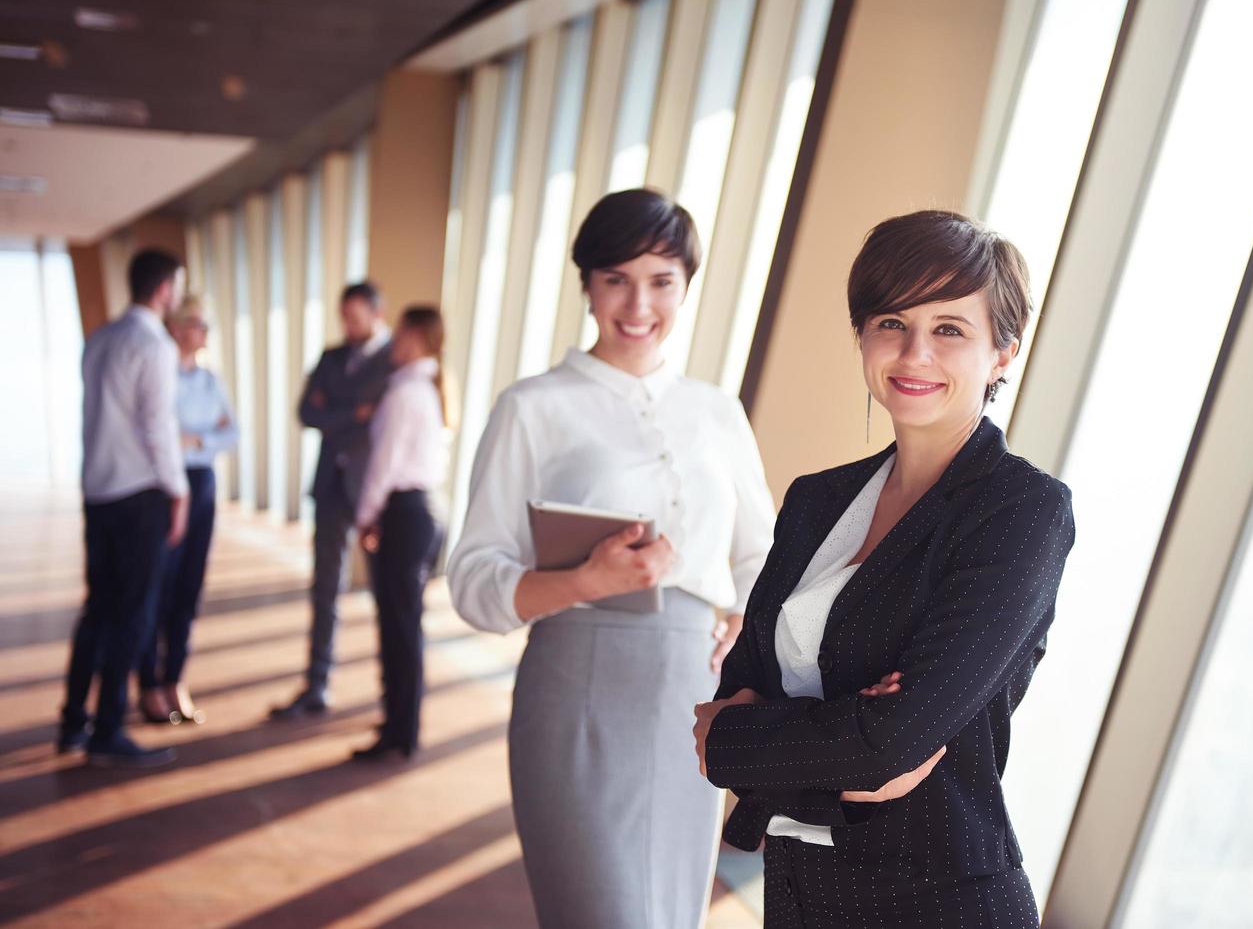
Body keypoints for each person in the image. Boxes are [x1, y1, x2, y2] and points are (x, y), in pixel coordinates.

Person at [694, 210, 1077, 927]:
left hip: (937, 899)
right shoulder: (817, 500)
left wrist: (752, 740)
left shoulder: (1020, 511)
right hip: (799, 891)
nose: (913, 354)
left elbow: (890, 742)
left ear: (1003, 353)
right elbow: (736, 694)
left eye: (949, 330)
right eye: (891, 323)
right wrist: (846, 752)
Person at [448, 189, 776, 929]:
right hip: (576, 693)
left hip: (699, 702)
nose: (638, 303)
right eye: (616, 279)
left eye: (661, 280)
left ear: (686, 285)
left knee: (670, 914)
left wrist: (745, 624)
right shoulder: (533, 407)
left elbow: (763, 554)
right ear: (587, 285)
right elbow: (472, 578)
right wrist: (585, 579)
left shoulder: (715, 411)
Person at [60, 248, 190, 768]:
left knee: (98, 610)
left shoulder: (100, 339)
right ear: (165, 289)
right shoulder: (153, 345)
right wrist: (178, 492)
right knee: (132, 615)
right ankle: (108, 729)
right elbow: (157, 427)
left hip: (98, 493)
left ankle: (73, 721)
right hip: (139, 496)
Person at [272, 282, 393, 719]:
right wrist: (354, 413)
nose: (347, 325)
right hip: (330, 488)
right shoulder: (330, 357)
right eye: (344, 317)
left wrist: (335, 412)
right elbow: (307, 412)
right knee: (325, 589)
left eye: (355, 317)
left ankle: (390, 697)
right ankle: (317, 686)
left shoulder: (395, 359)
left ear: (377, 313)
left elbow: (381, 420)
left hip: (374, 492)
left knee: (387, 593)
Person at [351, 306, 451, 762]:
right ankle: (399, 725)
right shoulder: (429, 388)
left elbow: (383, 465)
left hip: (405, 514)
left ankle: (400, 733)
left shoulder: (405, 393)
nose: (393, 343)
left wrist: (366, 516)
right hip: (427, 512)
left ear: (416, 337)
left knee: (398, 628)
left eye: (401, 335)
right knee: (404, 626)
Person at [137, 295, 238, 726]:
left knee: (190, 586)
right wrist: (201, 433)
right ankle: (147, 684)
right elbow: (157, 433)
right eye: (199, 323)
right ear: (177, 328)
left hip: (202, 483)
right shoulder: (161, 375)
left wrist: (193, 438)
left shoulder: (211, 380)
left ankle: (175, 678)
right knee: (157, 585)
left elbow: (231, 432)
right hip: (162, 486)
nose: (205, 331)